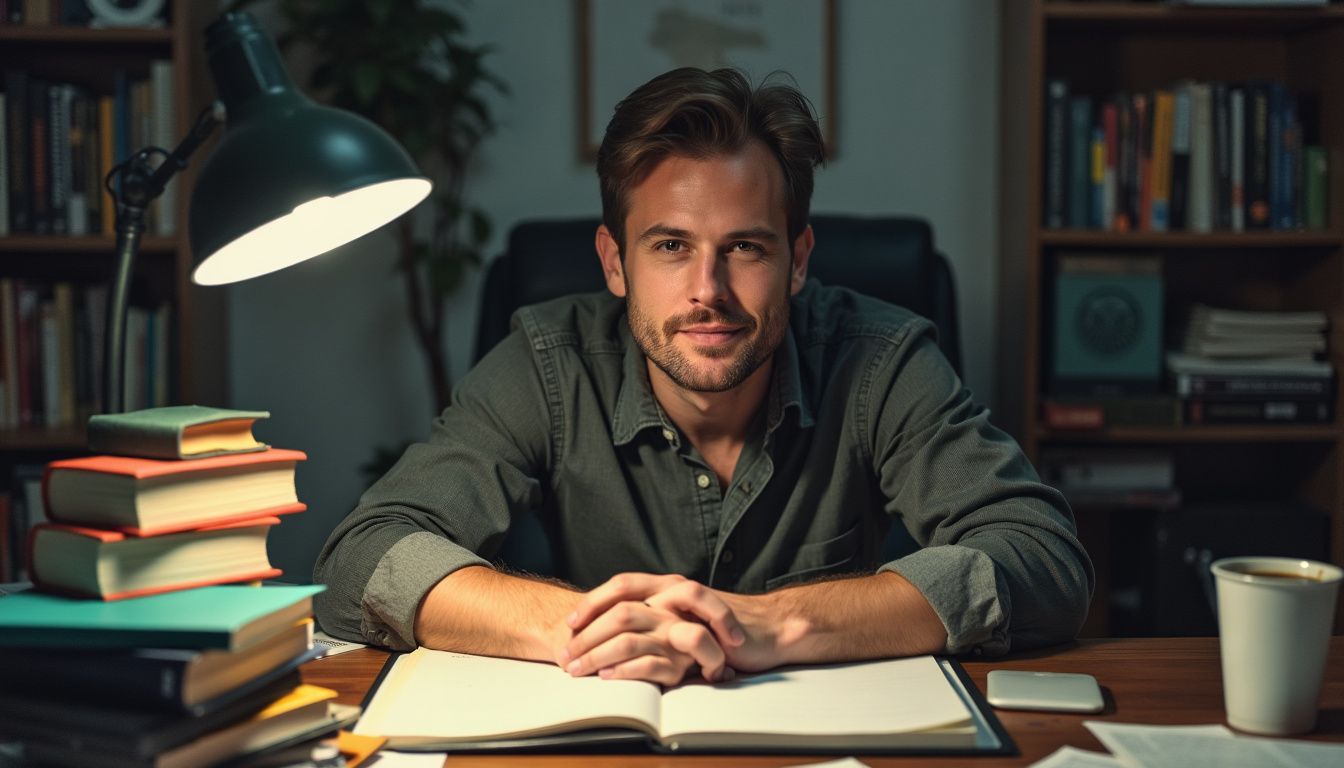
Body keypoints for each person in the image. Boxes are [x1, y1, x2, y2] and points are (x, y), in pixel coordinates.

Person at [314, 67, 1093, 686]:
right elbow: (363, 555)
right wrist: (577, 626)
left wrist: (775, 624)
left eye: (747, 248)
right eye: (670, 247)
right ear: (615, 263)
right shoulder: (548, 361)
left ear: (799, 260)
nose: (708, 292)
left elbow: (1042, 561)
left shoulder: (880, 358)